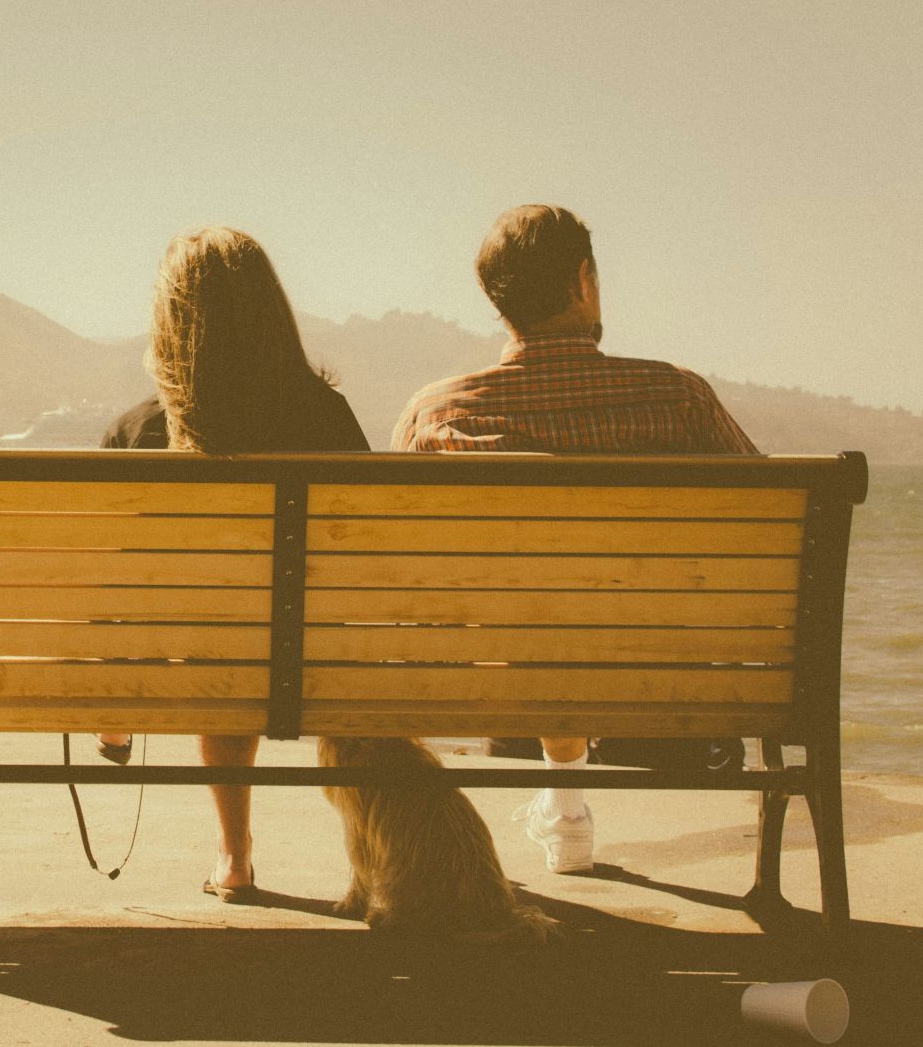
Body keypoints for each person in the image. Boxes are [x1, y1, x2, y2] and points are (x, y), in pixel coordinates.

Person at [391, 204, 758, 875]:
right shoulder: (677, 398)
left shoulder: (436, 415)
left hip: (504, 696)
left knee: (530, 647)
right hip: (668, 697)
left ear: (498, 303)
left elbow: (397, 573)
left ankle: (561, 797)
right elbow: (765, 540)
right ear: (584, 280)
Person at [97, 226, 368, 901]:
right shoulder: (325, 416)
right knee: (251, 635)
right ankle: (374, 858)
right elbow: (362, 552)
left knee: (217, 647)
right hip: (318, 655)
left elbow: (107, 576)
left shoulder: (139, 432)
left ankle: (234, 853)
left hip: (199, 657)